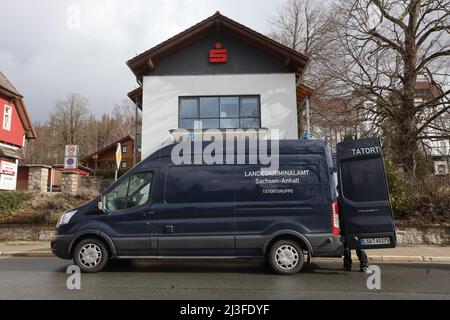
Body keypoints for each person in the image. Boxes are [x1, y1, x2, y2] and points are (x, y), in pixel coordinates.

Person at [336, 184, 369, 272]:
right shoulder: (337, 201)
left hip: (354, 226)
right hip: (343, 226)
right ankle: (347, 265)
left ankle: (364, 264)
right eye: (339, 190)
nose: (339, 192)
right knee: (346, 247)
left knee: (359, 246)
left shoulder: (351, 199)